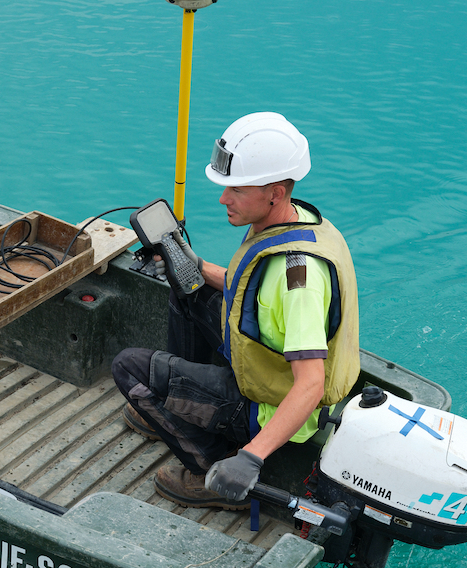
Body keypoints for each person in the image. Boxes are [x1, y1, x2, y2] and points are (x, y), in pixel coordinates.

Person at [111, 112, 360, 510]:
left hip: (270, 406)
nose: (224, 199)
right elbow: (252, 289)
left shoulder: (301, 280)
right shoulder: (288, 223)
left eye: (236, 191)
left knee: (128, 368)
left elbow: (310, 384)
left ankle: (213, 469)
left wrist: (251, 458)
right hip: (263, 367)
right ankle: (186, 409)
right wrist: (195, 264)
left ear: (275, 192)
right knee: (185, 288)